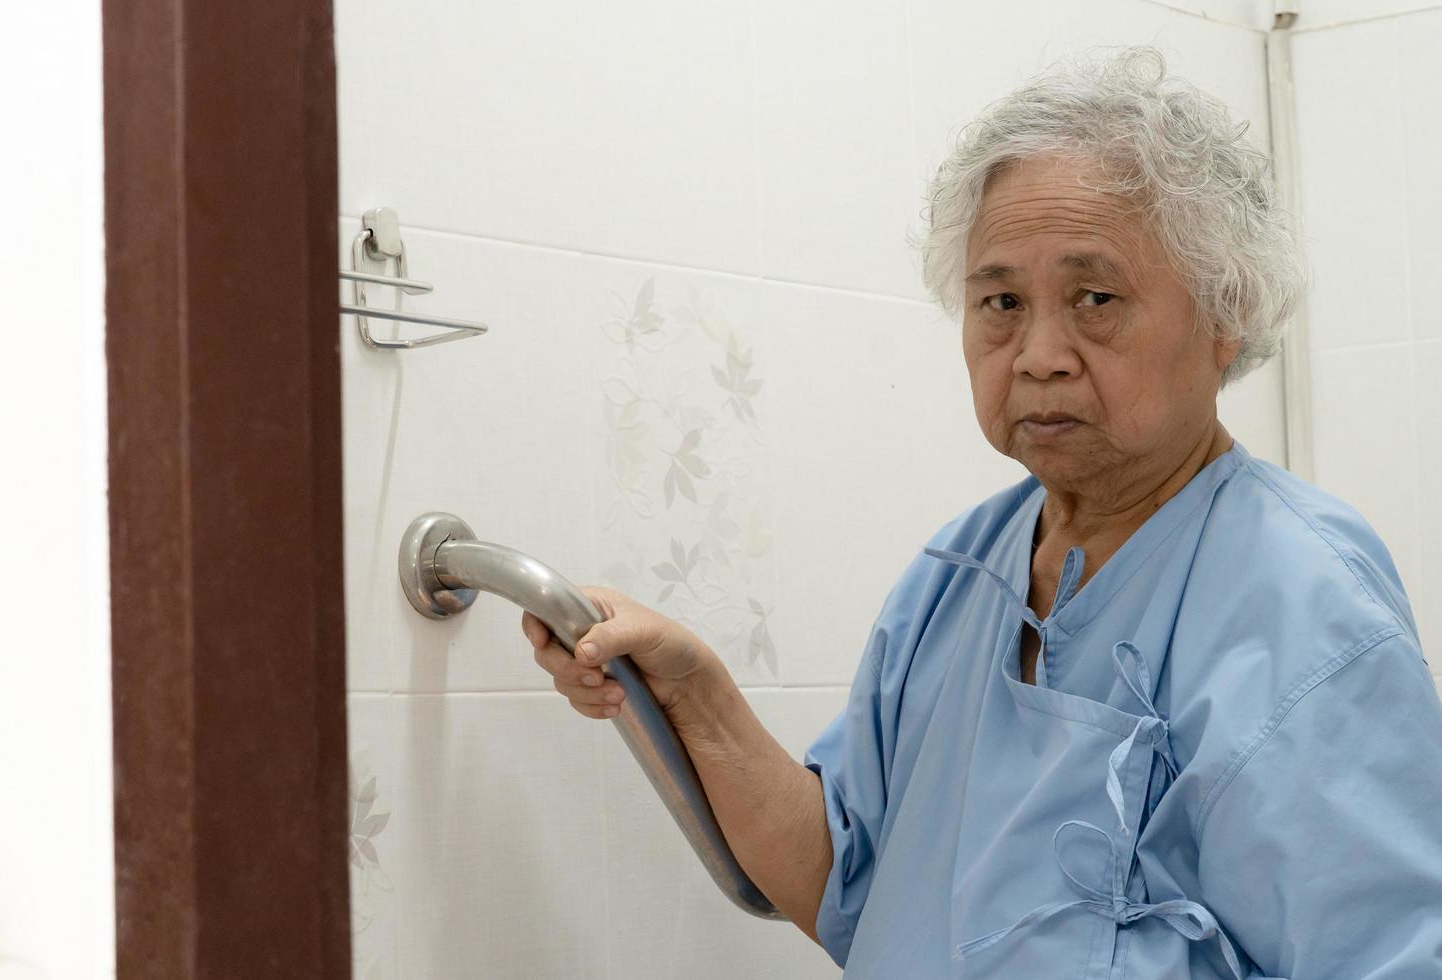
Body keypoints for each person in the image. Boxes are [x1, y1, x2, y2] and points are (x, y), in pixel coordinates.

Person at [521, 46, 1442, 977]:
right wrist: (696, 696)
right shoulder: (959, 575)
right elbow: (850, 883)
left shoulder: (1305, 605)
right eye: (1000, 300)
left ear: (1224, 313)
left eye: (1095, 298)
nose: (1039, 353)